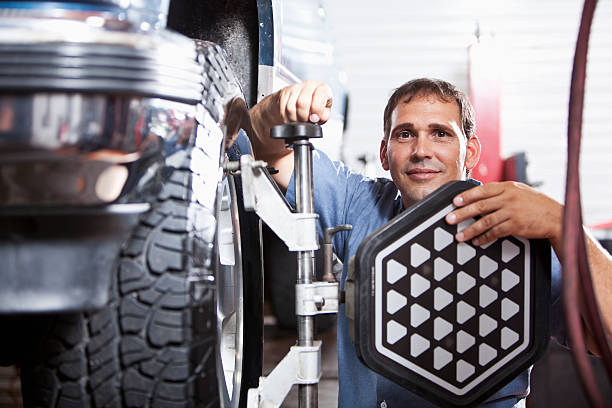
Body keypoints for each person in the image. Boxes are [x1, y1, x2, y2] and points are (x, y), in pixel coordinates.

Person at [248, 78, 612, 407]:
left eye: (441, 134)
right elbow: (265, 146)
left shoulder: (516, 231)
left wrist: (566, 228)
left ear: (469, 153)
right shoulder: (358, 205)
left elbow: (606, 338)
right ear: (384, 153)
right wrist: (281, 106)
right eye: (405, 134)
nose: (422, 150)